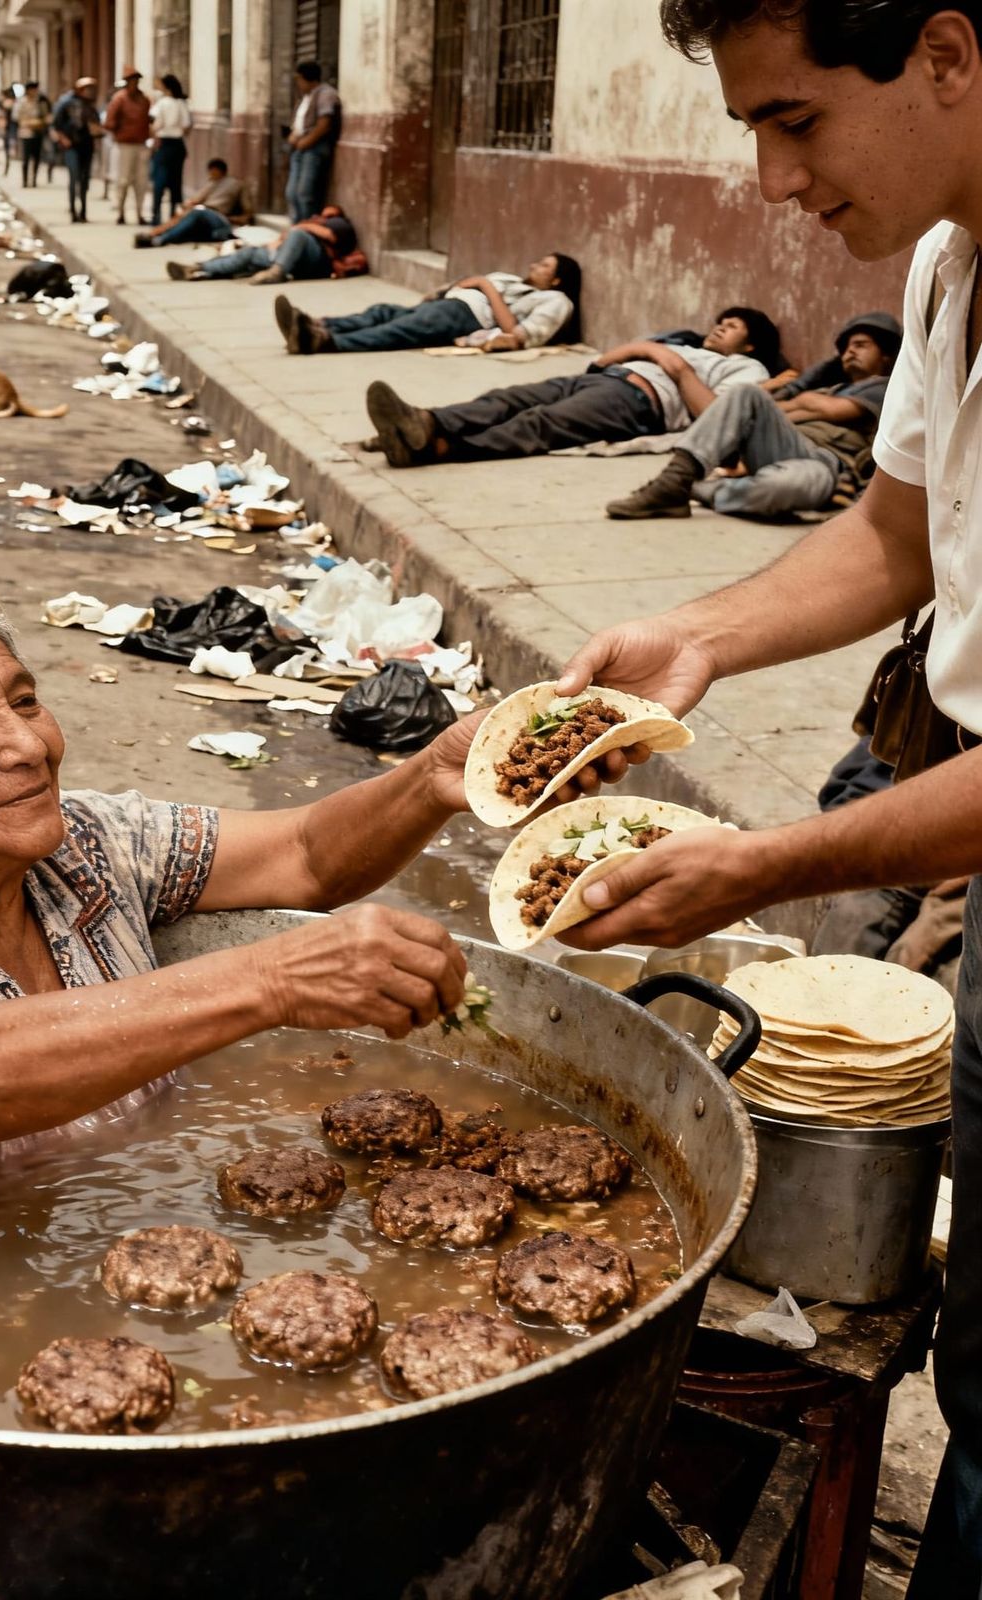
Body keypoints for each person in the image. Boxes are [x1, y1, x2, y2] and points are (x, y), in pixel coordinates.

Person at [539, 6, 982, 1589]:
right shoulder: (947, 265)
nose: (770, 178)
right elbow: (893, 540)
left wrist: (753, 870)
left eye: (795, 119)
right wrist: (694, 637)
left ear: (948, 55)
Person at [0, 585, 483, 1167]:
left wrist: (437, 777)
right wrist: (272, 982)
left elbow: (309, 856)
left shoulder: (84, 844)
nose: (29, 743)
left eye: (25, 701)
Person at [363, 306, 781, 469]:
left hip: (638, 401)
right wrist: (648, 348)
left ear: (751, 342)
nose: (719, 328)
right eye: (720, 321)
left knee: (540, 423)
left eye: (732, 327)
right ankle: (424, 422)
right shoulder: (680, 341)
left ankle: (436, 448)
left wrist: (676, 368)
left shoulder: (747, 368)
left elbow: (716, 417)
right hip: (598, 380)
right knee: (507, 399)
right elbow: (601, 360)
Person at [607, 311, 902, 521]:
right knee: (746, 394)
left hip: (826, 464)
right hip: (787, 446)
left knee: (790, 486)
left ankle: (697, 490)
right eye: (847, 348)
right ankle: (675, 479)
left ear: (887, 355)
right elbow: (792, 404)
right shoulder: (832, 386)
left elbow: (829, 409)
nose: (850, 353)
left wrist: (796, 403)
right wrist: (795, 402)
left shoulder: (885, 386)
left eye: (861, 346)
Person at [278, 253, 583, 356]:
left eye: (544, 266)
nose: (534, 265)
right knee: (383, 312)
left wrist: (486, 286)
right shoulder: (514, 280)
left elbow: (516, 334)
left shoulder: (555, 300)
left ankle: (326, 341)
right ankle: (318, 325)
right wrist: (441, 292)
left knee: (398, 329)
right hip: (450, 303)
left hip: (467, 316)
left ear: (557, 279)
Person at [167, 203, 359, 286]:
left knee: (298, 234)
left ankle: (277, 272)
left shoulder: (339, 224)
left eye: (328, 214)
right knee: (249, 253)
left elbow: (329, 236)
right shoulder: (311, 222)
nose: (323, 216)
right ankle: (200, 269)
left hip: (316, 258)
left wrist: (303, 227)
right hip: (288, 254)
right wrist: (276, 243)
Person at [134, 156, 250, 247]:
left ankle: (159, 238)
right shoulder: (211, 184)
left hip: (218, 217)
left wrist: (231, 219)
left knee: (195, 212)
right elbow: (192, 202)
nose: (210, 175)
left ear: (218, 170)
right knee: (187, 221)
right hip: (204, 216)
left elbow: (247, 214)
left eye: (212, 172)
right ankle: (156, 236)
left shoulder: (236, 184)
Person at [286, 61, 340, 222]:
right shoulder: (306, 97)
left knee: (305, 193)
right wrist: (294, 136)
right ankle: (297, 225)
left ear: (308, 79)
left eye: (299, 80)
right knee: (291, 192)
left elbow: (324, 124)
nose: (298, 84)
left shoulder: (325, 93)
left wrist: (307, 141)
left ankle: (308, 228)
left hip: (314, 148)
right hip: (300, 147)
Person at [52, 76, 104, 223]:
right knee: (74, 178)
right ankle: (73, 211)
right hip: (72, 146)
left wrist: (97, 131)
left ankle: (83, 211)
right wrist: (64, 139)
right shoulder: (67, 104)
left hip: (87, 146)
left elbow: (96, 126)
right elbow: (56, 125)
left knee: (84, 180)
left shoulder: (91, 107)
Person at [102, 66, 150, 226]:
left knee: (141, 181)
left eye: (136, 80)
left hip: (140, 144)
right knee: (123, 180)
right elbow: (109, 122)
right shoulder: (119, 99)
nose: (135, 84)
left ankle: (139, 212)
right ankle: (121, 212)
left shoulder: (144, 100)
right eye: (132, 80)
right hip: (124, 145)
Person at [148, 72, 191, 225]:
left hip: (164, 144)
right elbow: (186, 126)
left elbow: (154, 123)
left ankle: (156, 215)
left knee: (159, 180)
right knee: (175, 180)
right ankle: (173, 213)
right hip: (178, 145)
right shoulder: (181, 103)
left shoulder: (162, 103)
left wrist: (155, 135)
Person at [16, 80, 50, 185]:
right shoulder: (22, 102)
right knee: (26, 158)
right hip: (26, 132)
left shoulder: (40, 102)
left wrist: (41, 122)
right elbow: (17, 117)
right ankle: (25, 180)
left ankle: (34, 179)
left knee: (36, 157)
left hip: (38, 131)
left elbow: (46, 116)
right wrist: (29, 123)